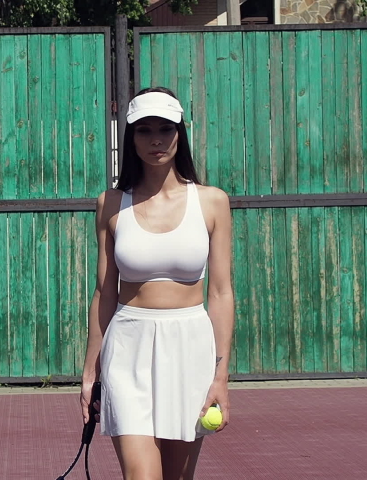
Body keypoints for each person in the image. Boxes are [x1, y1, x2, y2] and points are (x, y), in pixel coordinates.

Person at [80, 86, 235, 480]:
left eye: (165, 129)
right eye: (144, 130)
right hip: (127, 350)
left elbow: (219, 293)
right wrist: (89, 375)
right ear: (130, 138)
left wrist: (221, 377)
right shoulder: (111, 204)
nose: (156, 139)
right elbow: (105, 293)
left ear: (179, 134)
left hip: (190, 349)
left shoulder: (213, 201)